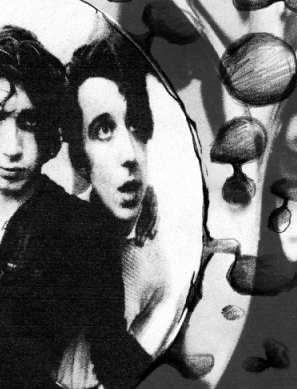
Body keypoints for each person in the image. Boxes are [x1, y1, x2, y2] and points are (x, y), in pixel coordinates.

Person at [0, 26, 151, 389]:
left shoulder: (82, 227)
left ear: (49, 132)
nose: (12, 148)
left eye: (29, 121)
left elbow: (111, 349)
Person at [65, 33, 182, 367]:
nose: (130, 155)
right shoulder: (55, 231)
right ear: (81, 159)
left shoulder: (157, 272)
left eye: (136, 126)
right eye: (104, 130)